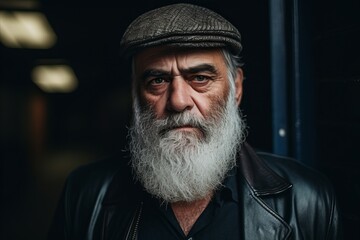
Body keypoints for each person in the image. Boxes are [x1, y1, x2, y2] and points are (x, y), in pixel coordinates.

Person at [48, 3, 342, 240]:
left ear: (236, 88)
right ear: (136, 95)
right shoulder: (85, 194)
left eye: (200, 78)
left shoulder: (306, 199)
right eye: (158, 80)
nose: (178, 101)